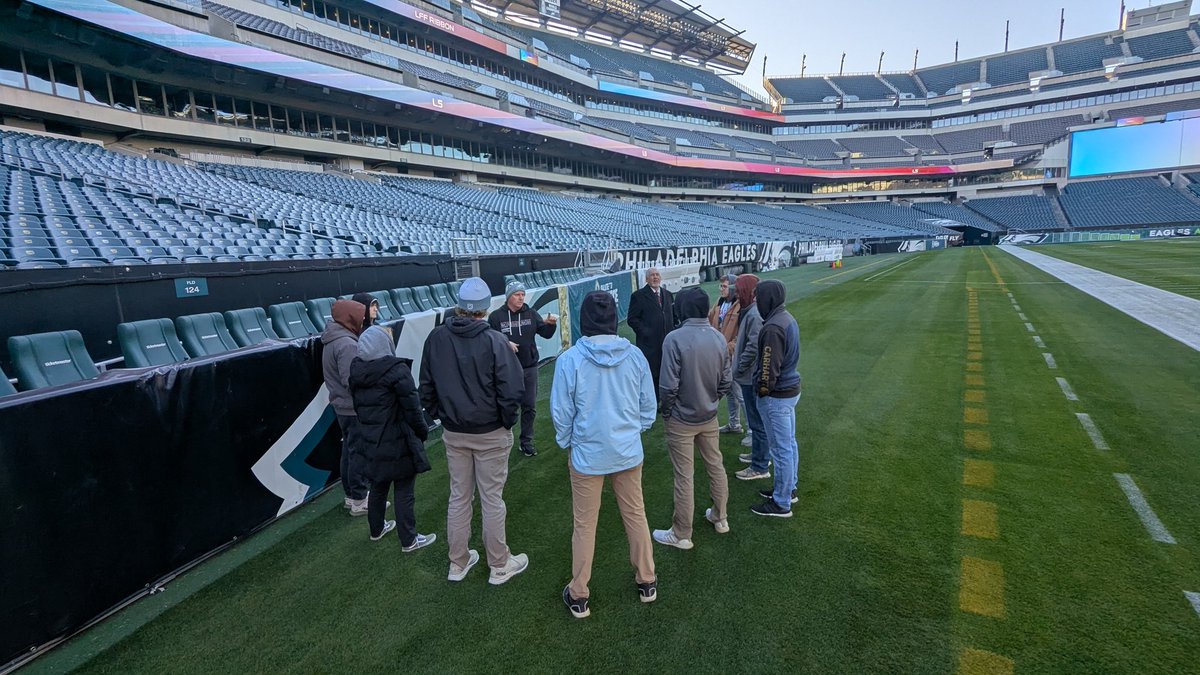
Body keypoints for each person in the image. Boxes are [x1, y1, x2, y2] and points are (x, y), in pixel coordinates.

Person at [552, 291, 658, 619]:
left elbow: (561, 413)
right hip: (624, 452)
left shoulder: (570, 360)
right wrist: (629, 433)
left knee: (585, 524)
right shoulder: (635, 356)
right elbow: (647, 409)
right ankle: (647, 580)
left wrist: (570, 442)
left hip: (589, 455)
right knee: (635, 515)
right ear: (614, 318)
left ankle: (580, 593)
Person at [419, 277, 529, 585]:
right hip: (489, 432)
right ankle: (499, 564)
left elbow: (425, 388)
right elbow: (512, 390)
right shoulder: (494, 340)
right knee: (490, 498)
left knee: (460, 496)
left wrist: (442, 415)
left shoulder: (436, 338)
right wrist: (506, 421)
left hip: (456, 432)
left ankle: (458, 562)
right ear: (484, 309)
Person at [653, 288, 732, 549]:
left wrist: (668, 410)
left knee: (684, 476)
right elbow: (726, 381)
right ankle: (720, 518)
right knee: (715, 466)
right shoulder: (718, 338)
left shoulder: (674, 338)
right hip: (708, 415)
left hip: (681, 419)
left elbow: (668, 386)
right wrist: (710, 402)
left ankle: (682, 533)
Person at [349, 326, 436, 550]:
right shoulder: (396, 370)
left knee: (378, 485)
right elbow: (413, 410)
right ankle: (409, 539)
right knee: (404, 489)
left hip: (371, 440)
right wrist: (422, 432)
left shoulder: (356, 371)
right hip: (398, 440)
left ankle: (376, 530)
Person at [488, 281, 558, 457]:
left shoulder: (531, 313)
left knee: (529, 406)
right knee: (505, 406)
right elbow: (488, 341)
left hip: (529, 367)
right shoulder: (496, 317)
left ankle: (526, 441)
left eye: (522, 294)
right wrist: (505, 343)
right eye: (517, 294)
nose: (521, 298)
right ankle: (501, 441)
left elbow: (546, 334)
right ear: (508, 297)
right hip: (506, 370)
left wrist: (551, 324)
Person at [751, 280, 802, 519]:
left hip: (777, 395)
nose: (756, 302)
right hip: (789, 391)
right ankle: (788, 489)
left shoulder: (773, 327)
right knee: (789, 445)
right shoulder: (786, 317)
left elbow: (768, 367)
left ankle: (781, 502)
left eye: (758, 297)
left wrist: (762, 390)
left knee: (781, 449)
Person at [321, 299, 371, 516]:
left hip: (342, 406)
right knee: (356, 453)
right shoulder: (346, 344)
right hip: (351, 407)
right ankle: (359, 498)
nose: (362, 321)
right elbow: (351, 380)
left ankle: (352, 496)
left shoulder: (333, 339)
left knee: (349, 452)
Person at [732, 275, 771, 482]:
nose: (736, 293)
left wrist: (738, 368)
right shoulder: (749, 311)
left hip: (749, 376)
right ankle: (759, 456)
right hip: (747, 376)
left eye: (739, 290)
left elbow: (753, 347)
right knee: (756, 421)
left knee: (757, 422)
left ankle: (760, 465)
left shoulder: (754, 314)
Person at [627, 267, 677, 397]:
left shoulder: (668, 294)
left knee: (667, 370)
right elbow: (632, 319)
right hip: (649, 345)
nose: (655, 277)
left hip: (667, 342)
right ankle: (653, 400)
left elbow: (673, 316)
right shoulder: (638, 296)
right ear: (646, 279)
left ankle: (666, 397)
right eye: (652, 275)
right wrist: (646, 332)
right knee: (651, 373)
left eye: (657, 275)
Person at [707, 274, 743, 435]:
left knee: (739, 395)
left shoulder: (740, 306)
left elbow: (741, 335)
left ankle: (753, 433)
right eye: (720, 286)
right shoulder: (719, 303)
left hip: (731, 357)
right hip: (719, 356)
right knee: (730, 392)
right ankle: (734, 424)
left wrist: (728, 347)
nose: (721, 289)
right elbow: (709, 322)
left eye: (724, 286)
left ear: (734, 287)